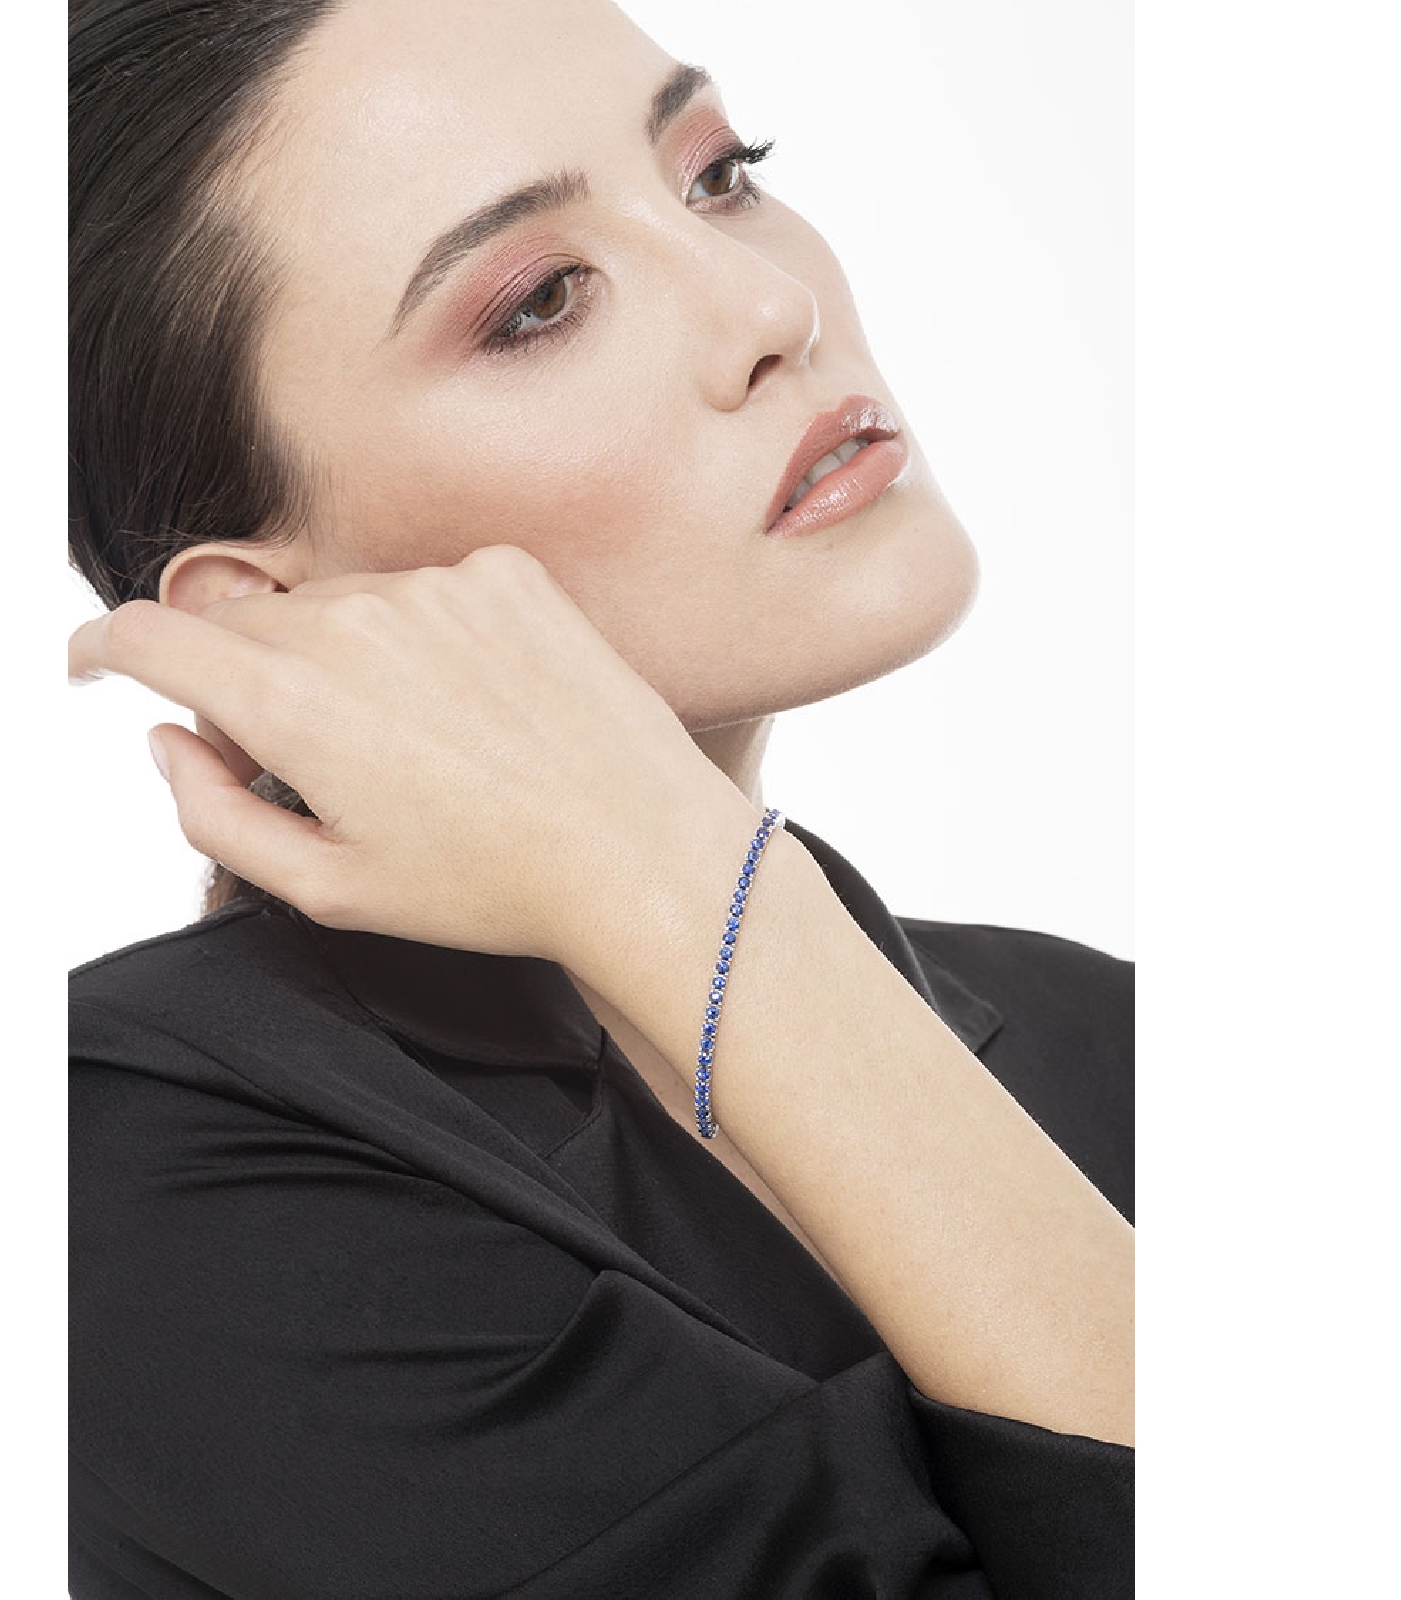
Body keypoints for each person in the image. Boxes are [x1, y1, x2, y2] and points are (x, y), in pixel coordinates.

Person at [68, 0, 1134, 1595]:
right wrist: (692, 899)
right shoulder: (125, 1174)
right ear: (265, 621)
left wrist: (698, 900)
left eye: (720, 174)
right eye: (541, 302)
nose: (773, 302)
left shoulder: (1115, 1041)